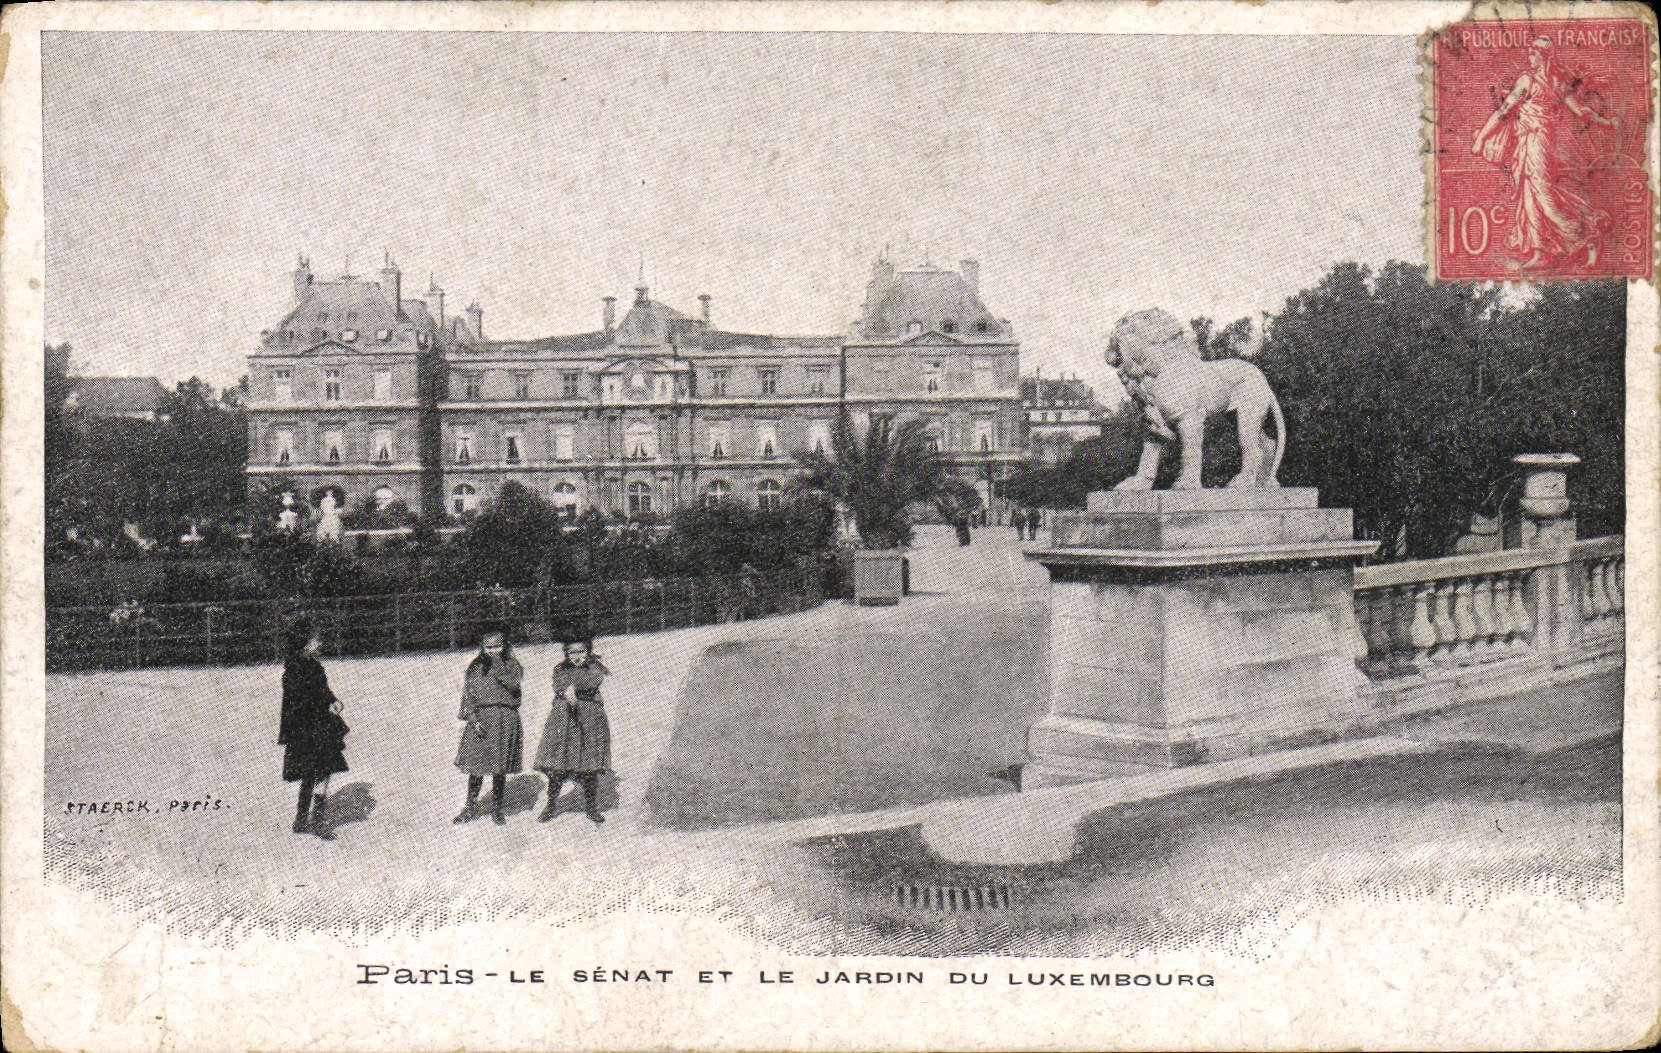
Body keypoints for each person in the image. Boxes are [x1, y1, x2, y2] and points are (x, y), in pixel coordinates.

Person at [1470, 36, 1620, 269]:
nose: (1529, 57)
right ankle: (1540, 251)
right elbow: (1581, 111)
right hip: (1529, 143)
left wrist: (1481, 137)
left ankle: (1588, 238)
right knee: (1530, 195)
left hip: (1537, 142)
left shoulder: (1529, 81)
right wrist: (1607, 122)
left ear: (1544, 56)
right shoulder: (1553, 81)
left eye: (1533, 53)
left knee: (1544, 198)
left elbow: (1504, 111)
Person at [278, 618, 348, 837]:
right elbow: (298, 702)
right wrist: (322, 707)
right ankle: (306, 820)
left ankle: (310, 821)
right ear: (305, 644)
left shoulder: (314, 666)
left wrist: (332, 700)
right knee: (314, 773)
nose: (319, 644)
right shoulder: (292, 671)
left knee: (321, 772)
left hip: (318, 726)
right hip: (308, 729)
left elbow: (323, 689)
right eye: (315, 640)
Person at [452, 626, 525, 826]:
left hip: (504, 719)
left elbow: (514, 684)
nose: (493, 651)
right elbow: (468, 695)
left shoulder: (511, 665)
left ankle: (497, 808)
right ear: (482, 647)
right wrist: (473, 719)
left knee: (498, 767)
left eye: (498, 646)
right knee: (476, 767)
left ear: (505, 645)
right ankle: (470, 806)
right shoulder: (475, 667)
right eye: (489, 647)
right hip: (481, 720)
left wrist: (499, 663)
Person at [535, 638, 612, 824]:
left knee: (589, 766)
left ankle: (591, 808)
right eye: (572, 653)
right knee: (558, 765)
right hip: (564, 720)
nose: (577, 657)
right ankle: (551, 804)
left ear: (589, 652)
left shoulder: (596, 668)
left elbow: (590, 681)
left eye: (581, 652)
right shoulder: (559, 669)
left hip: (589, 720)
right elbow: (557, 683)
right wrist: (564, 688)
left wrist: (571, 687)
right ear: (566, 654)